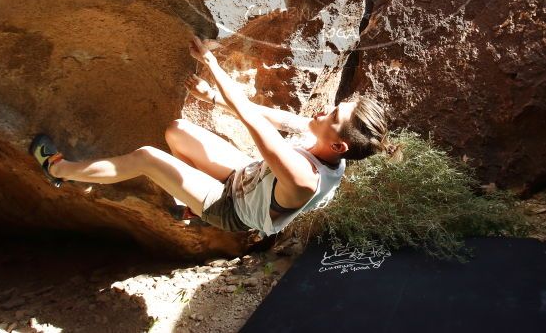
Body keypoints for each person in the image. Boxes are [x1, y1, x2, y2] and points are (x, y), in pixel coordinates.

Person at [29, 33, 398, 237]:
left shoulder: (305, 179)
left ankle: (58, 171)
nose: (321, 111)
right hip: (249, 177)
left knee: (146, 157)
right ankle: (189, 204)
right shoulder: (326, 142)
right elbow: (272, 117)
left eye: (332, 115)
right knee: (176, 132)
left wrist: (211, 65)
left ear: (339, 145)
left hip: (232, 208)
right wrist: (212, 98)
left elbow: (256, 126)